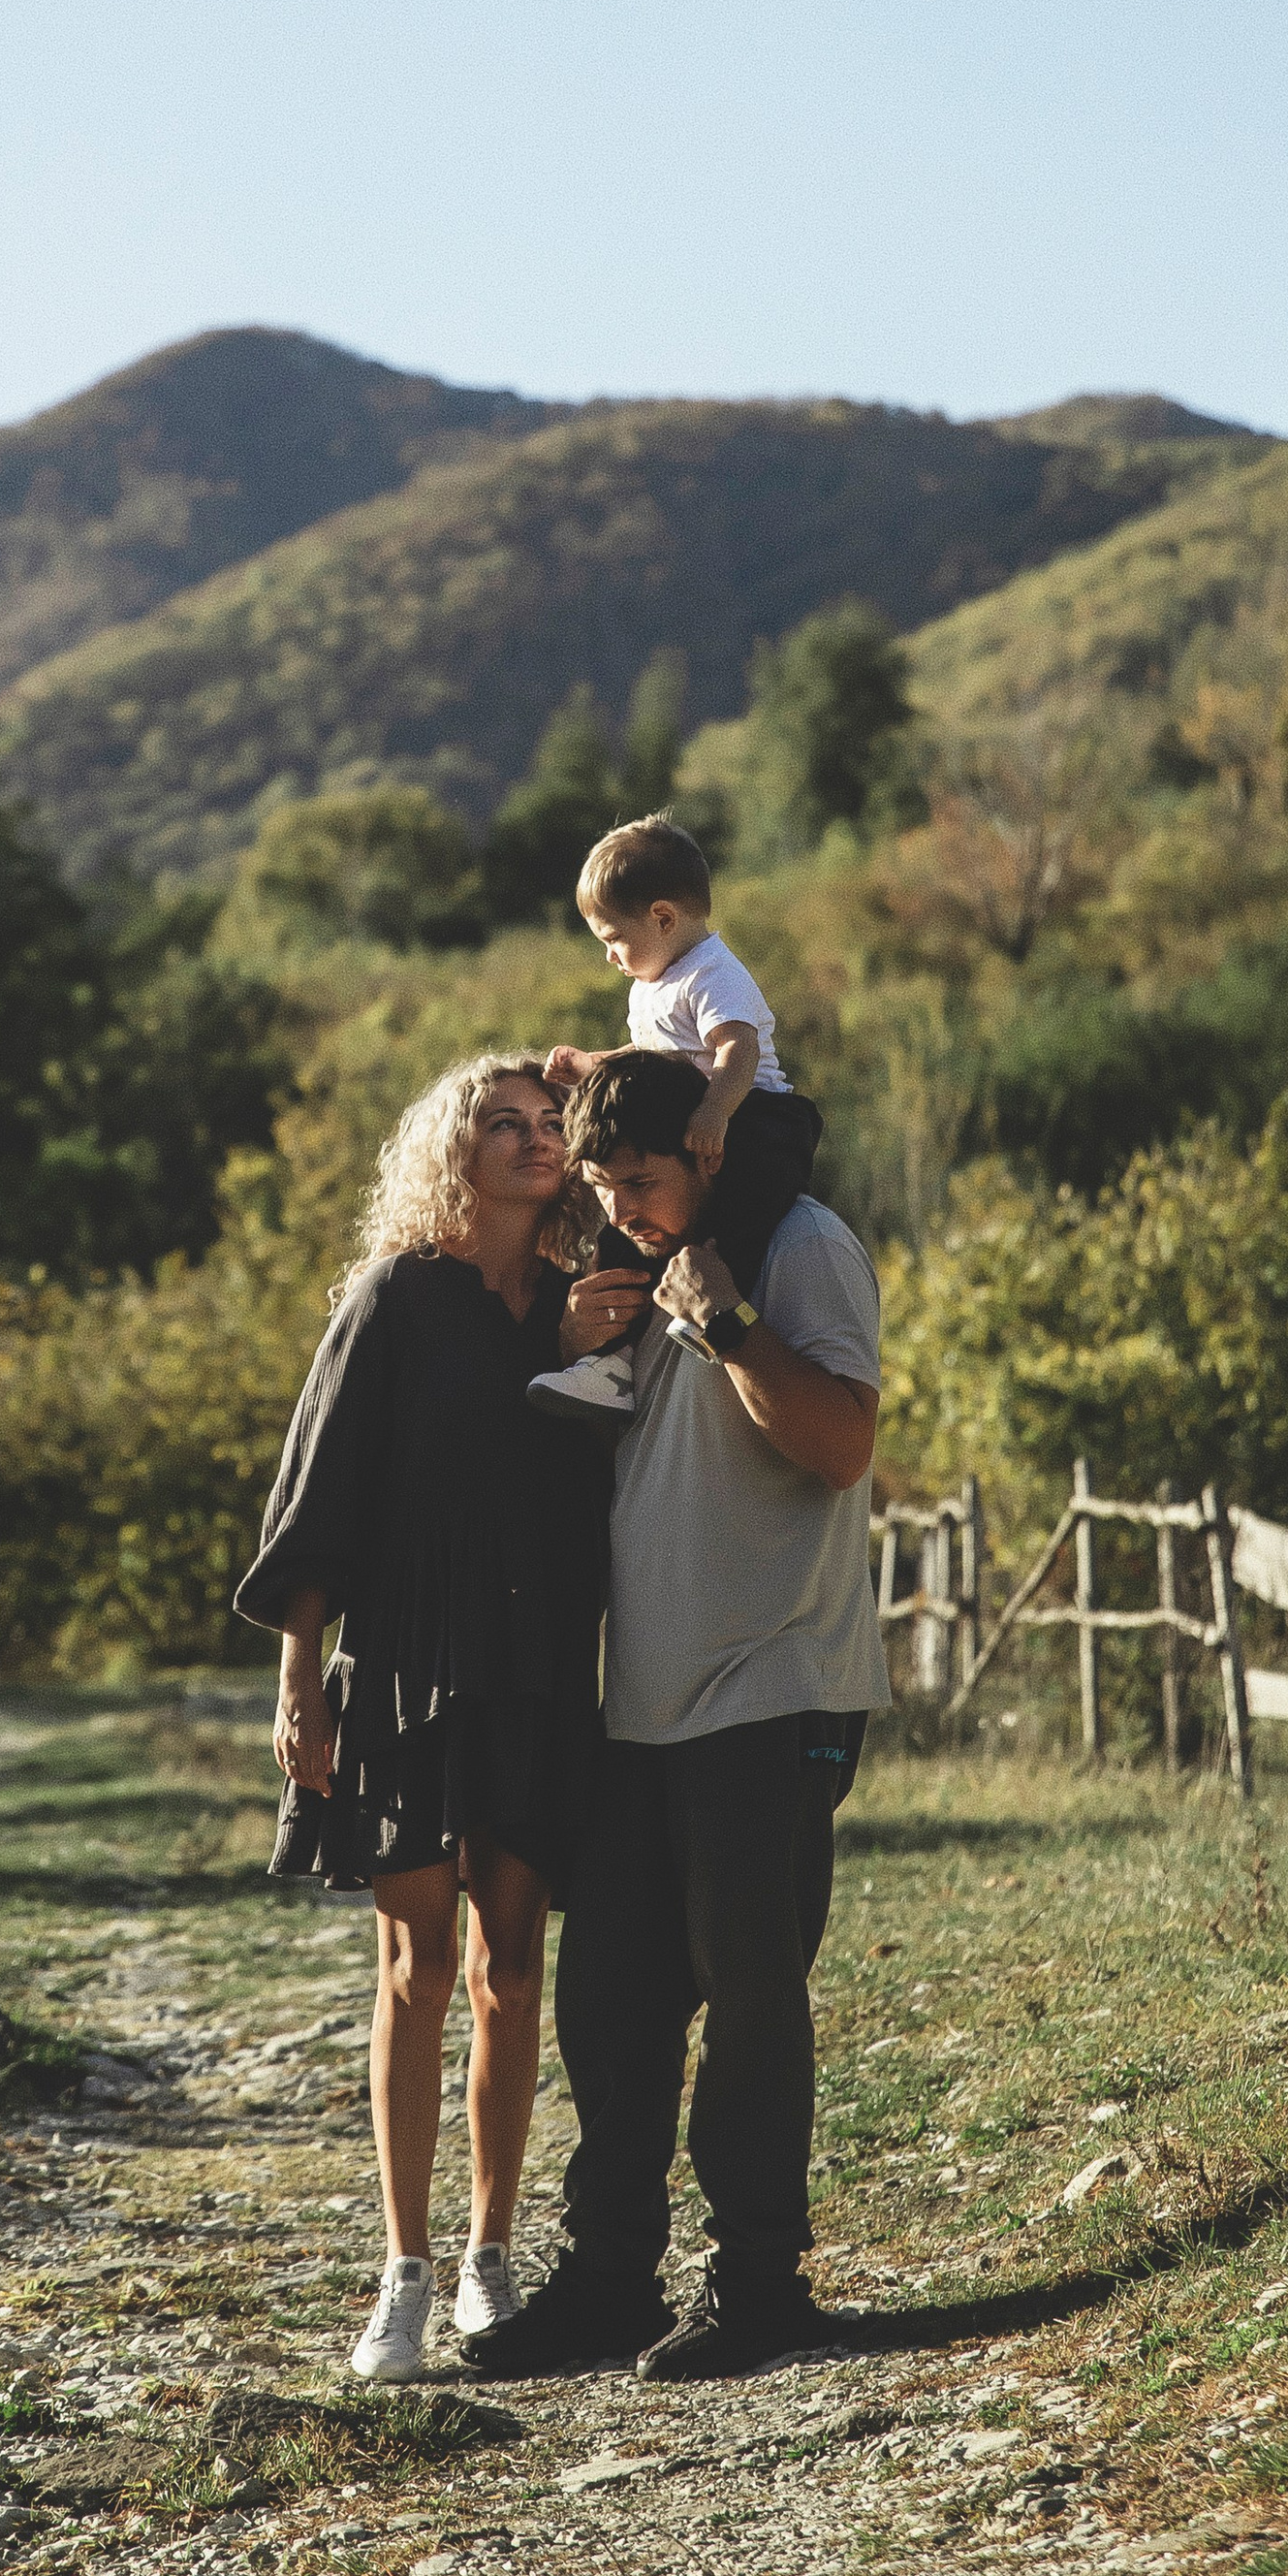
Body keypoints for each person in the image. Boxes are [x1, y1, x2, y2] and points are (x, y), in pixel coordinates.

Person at [466, 1046, 890, 2386]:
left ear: (705, 1152)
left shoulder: (801, 1245)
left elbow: (842, 1447)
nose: (623, 1209)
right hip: (642, 1704)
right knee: (609, 2001)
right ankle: (607, 2284)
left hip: (774, 1684)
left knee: (752, 1999)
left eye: (641, 1182)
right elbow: (642, 1462)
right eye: (603, 1188)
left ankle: (761, 2286)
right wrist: (577, 1351)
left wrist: (732, 1324)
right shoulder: (633, 1267)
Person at [233, 1057, 610, 2384]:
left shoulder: (581, 1302)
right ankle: (401, 2273)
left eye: (549, 1122)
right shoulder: (393, 1298)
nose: (532, 1139)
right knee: (418, 1965)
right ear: (453, 1150)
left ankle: (488, 2261)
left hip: (540, 1667)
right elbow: (318, 1496)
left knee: (514, 1969)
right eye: (501, 1123)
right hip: (405, 1664)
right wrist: (300, 1679)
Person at [529, 813, 822, 1423]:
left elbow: (737, 1048)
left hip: (757, 1117)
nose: (610, 956)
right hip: (690, 1119)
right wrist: (589, 1064)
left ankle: (718, 1307)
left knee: (744, 1212)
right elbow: (647, 1056)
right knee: (619, 1232)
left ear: (663, 918)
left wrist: (716, 1111)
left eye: (613, 938)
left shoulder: (711, 972)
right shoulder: (650, 984)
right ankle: (612, 1362)